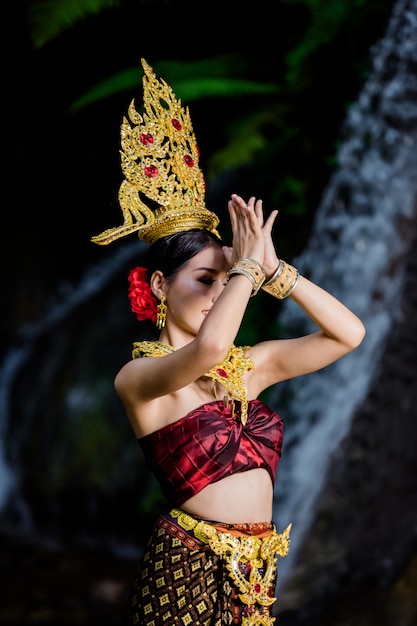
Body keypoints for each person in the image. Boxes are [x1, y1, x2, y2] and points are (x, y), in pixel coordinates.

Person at [91, 59, 366, 626]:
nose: (221, 293)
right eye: (205, 280)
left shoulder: (250, 368)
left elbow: (349, 334)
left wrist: (275, 271)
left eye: (228, 279)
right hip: (186, 567)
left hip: (255, 574)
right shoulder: (140, 379)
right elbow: (207, 352)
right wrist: (241, 268)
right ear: (161, 285)